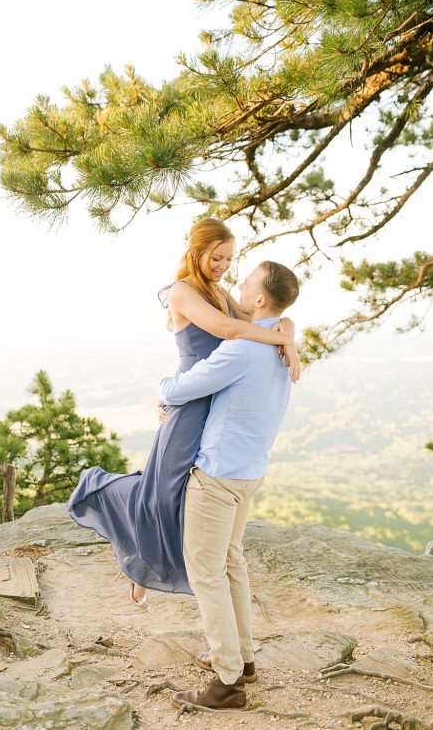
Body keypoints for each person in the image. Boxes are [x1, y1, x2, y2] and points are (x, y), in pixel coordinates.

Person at [68, 218, 299, 608]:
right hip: (191, 401)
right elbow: (230, 330)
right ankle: (103, 497)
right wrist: (283, 339)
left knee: (187, 499)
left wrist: (288, 330)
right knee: (161, 495)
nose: (224, 266)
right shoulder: (182, 292)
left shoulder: (220, 291)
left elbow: (263, 319)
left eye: (229, 259)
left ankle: (147, 570)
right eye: (217, 257)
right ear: (197, 251)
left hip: (217, 402)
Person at [165, 261, 300, 710]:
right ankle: (242, 659)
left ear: (261, 299)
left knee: (207, 574)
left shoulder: (243, 347)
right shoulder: (280, 349)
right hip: (249, 472)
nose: (238, 283)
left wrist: (162, 388)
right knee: (230, 563)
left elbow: (185, 388)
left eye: (247, 282)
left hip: (218, 475)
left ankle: (226, 682)